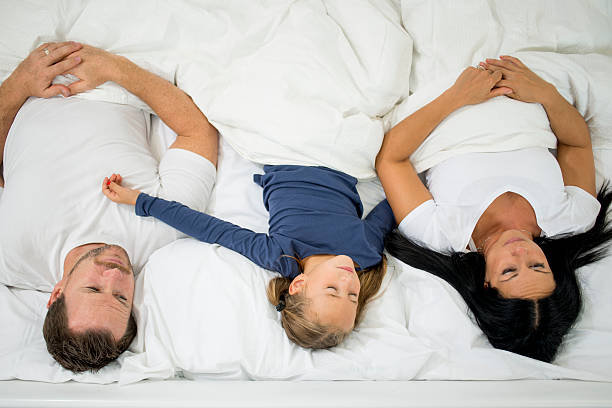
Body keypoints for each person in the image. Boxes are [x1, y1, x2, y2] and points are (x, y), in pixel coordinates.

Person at [375, 56, 612, 362]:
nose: (521, 253)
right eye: (538, 266)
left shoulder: (439, 234)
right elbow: (577, 144)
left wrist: (457, 96)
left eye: (510, 270)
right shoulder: (573, 220)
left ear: (486, 283)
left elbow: (391, 159)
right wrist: (545, 93)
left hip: (443, 85)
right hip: (526, 81)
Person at [0, 43, 219, 372]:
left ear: (56, 293)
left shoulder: (10, 255)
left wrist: (19, 82)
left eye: (93, 287)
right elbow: (197, 129)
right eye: (120, 298)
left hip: (25, 69)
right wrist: (113, 68)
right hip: (118, 63)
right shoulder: (163, 226)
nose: (115, 276)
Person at [101, 165, 394, 349]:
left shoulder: (280, 254)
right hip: (342, 155)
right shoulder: (365, 252)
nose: (348, 281)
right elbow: (398, 198)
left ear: (298, 285)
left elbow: (210, 229)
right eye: (353, 296)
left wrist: (140, 201)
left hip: (286, 151)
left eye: (333, 290)